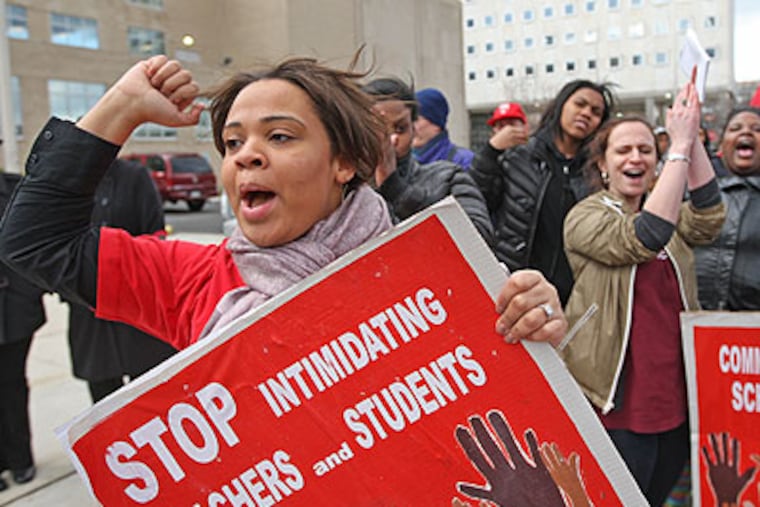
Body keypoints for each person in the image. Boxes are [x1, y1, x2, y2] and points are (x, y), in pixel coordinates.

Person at [0, 55, 566, 372]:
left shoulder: (433, 277)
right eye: (232, 142)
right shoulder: (196, 280)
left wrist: (533, 326)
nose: (246, 154)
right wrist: (121, 106)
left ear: (343, 161)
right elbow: (35, 242)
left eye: (279, 135)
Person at [559, 82, 726, 505]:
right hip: (616, 400)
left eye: (647, 150)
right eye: (623, 151)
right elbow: (642, 237)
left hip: (673, 395)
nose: (636, 158)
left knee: (660, 494)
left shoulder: (667, 214)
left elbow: (708, 218)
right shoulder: (585, 215)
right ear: (602, 165)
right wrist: (679, 149)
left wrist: (692, 140)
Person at [470, 79, 616, 305]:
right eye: (580, 104)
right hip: (516, 286)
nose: (586, 113)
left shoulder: (599, 170)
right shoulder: (518, 156)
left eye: (596, 112)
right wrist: (490, 153)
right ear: (561, 106)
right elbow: (478, 201)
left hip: (575, 297)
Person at [66, 159, 178, 403]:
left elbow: (154, 234)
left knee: (151, 397)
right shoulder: (69, 182)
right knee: (104, 403)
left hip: (137, 304)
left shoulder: (135, 176)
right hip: (89, 307)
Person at [362, 77, 493, 244]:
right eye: (377, 129)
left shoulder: (447, 178)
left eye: (400, 128)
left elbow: (478, 238)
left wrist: (396, 189)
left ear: (413, 129)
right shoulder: (341, 190)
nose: (391, 139)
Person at [0, 173, 46, 490]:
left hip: (13, 308)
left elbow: (40, 237)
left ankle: (20, 460)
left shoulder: (17, 188)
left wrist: (30, 289)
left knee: (12, 384)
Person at [695, 106, 760, 310]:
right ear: (722, 143)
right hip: (696, 321)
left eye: (757, 129)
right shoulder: (693, 190)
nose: (746, 132)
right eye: (735, 128)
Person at [411, 87, 475, 168]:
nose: (410, 126)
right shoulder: (401, 164)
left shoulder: (464, 161)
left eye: (415, 119)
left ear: (436, 125)